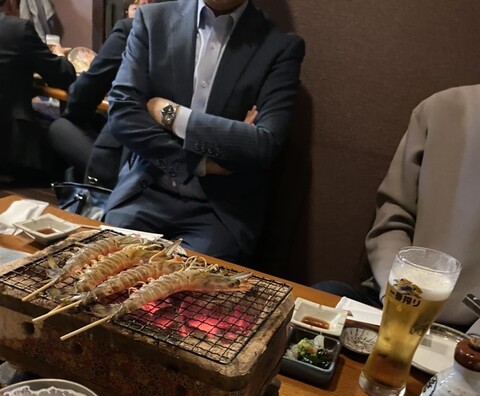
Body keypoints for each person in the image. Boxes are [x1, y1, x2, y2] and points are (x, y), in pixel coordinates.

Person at [102, 0, 305, 264]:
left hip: (217, 213)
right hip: (145, 191)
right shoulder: (153, 20)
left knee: (185, 285)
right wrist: (199, 163)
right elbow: (122, 113)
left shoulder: (280, 46)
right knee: (102, 270)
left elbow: (263, 145)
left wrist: (171, 114)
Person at [314, 85, 480, 334]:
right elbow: (393, 217)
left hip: (468, 329)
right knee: (323, 297)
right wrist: (400, 297)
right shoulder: (442, 108)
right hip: (396, 301)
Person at [48, 16, 134, 187]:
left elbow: (82, 96)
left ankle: (90, 189)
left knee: (60, 126)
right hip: (182, 160)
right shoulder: (188, 35)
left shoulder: (133, 29)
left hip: (132, 163)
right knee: (96, 121)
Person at [0, 0, 76, 182]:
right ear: (10, 3)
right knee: (69, 151)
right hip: (13, 153)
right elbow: (62, 75)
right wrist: (59, 55)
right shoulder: (17, 29)